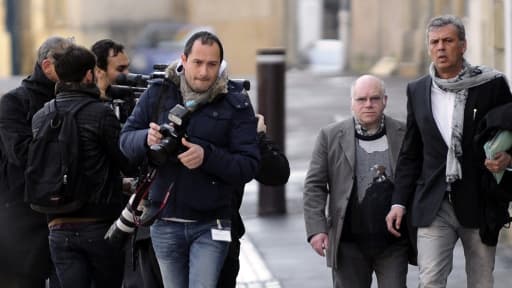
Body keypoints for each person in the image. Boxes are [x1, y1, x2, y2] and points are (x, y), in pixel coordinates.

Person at [119, 31, 260, 288]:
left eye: (212, 64)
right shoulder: (159, 93)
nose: (204, 72)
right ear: (184, 59)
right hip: (164, 222)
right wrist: (145, 138)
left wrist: (206, 156)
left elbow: (248, 166)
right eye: (197, 62)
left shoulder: (235, 102)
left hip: (211, 224)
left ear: (221, 65)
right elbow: (125, 141)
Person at [385, 15, 512, 288]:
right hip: (433, 202)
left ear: (463, 45)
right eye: (434, 42)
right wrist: (399, 202)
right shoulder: (417, 90)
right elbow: (411, 152)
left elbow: (510, 132)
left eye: (448, 41)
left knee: (481, 281)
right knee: (430, 280)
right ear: (429, 48)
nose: (441, 47)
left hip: (479, 201)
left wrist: (508, 158)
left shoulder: (491, 85)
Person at [31, 44, 135, 288]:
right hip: (99, 225)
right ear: (89, 75)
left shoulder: (41, 116)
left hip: (57, 225)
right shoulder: (101, 113)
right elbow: (126, 162)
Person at [303, 74, 408, 288]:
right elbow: (314, 186)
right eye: (361, 99)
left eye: (374, 98)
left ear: (385, 100)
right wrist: (317, 229)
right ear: (352, 103)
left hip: (393, 243)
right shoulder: (330, 136)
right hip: (348, 243)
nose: (368, 104)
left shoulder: (403, 133)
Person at [0, 36, 74, 288]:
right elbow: (20, 153)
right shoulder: (14, 102)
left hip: (66, 213)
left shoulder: (76, 101)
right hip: (23, 213)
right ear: (47, 67)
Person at [217, 113, 290, 288]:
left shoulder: (231, 108)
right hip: (160, 234)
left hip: (221, 231)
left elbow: (277, 173)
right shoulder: (158, 101)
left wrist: (257, 138)